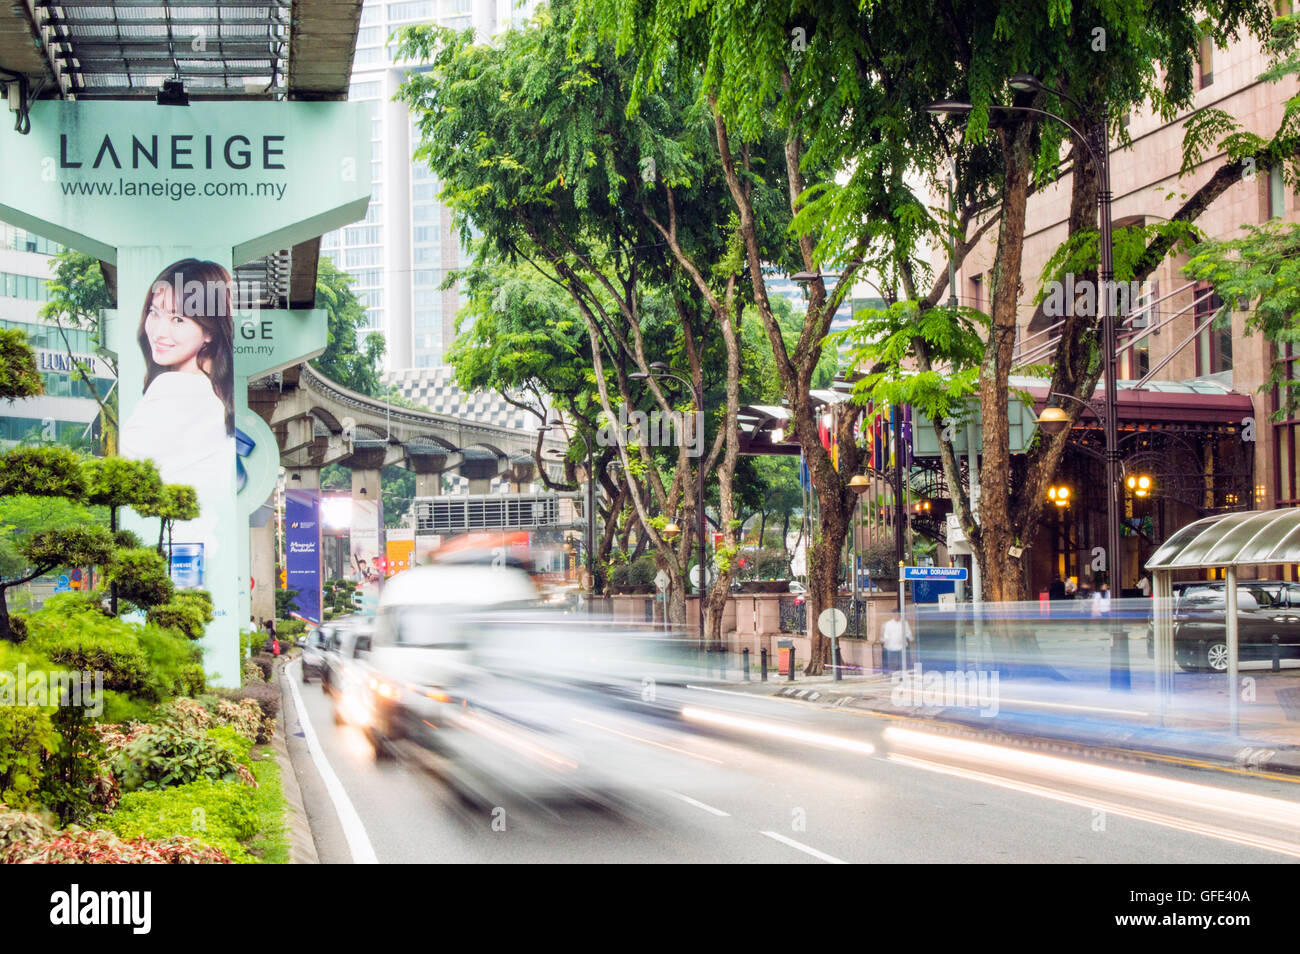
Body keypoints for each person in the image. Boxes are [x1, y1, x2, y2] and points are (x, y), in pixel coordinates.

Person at [120, 260, 236, 565]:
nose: (159, 331)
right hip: (202, 551)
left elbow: (130, 478)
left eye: (178, 319)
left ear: (209, 332)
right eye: (154, 313)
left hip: (170, 553)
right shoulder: (218, 394)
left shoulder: (173, 389)